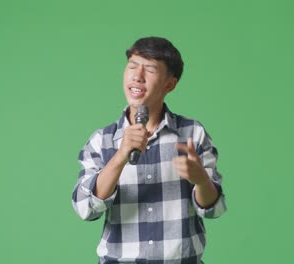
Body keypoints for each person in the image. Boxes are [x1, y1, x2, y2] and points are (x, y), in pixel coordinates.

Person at [72, 36, 226, 264]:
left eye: (150, 70)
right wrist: (120, 155)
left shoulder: (192, 133)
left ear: (169, 84)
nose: (137, 76)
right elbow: (86, 209)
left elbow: (214, 210)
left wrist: (201, 180)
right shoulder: (102, 140)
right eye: (132, 66)